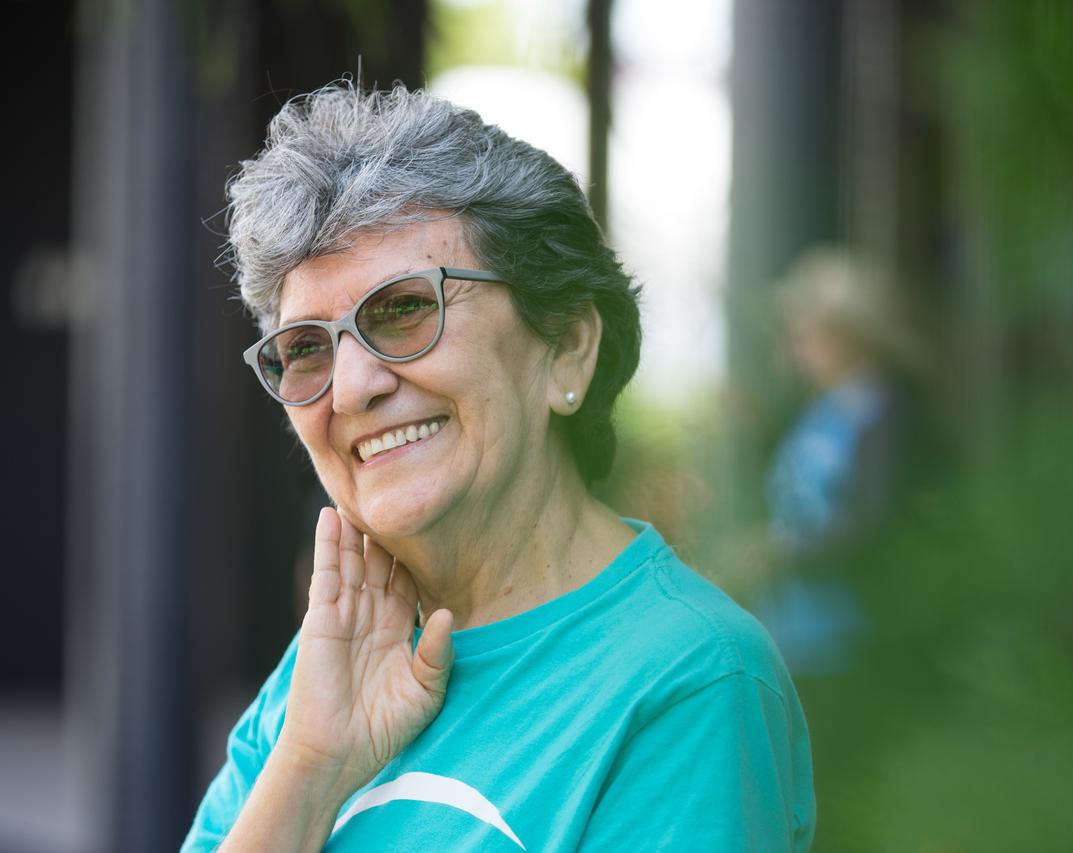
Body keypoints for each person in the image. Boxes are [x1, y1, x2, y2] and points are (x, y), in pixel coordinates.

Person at [182, 82, 815, 851]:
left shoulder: (690, 679)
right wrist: (312, 766)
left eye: (405, 308)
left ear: (566, 346)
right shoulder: (330, 664)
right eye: (308, 347)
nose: (351, 388)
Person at [751, 247, 907, 676]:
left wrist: (780, 554)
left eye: (804, 332)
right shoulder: (821, 410)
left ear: (845, 333)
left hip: (853, 644)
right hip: (796, 641)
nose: (794, 347)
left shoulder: (884, 414)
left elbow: (877, 525)